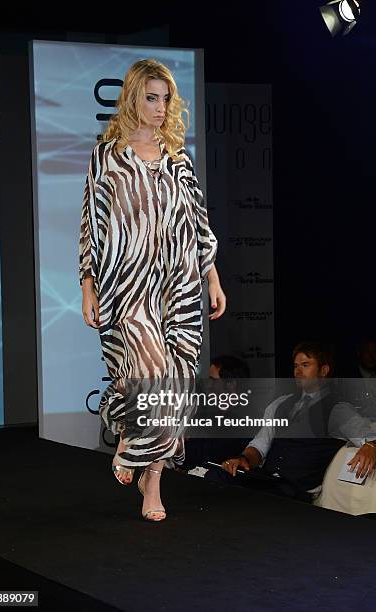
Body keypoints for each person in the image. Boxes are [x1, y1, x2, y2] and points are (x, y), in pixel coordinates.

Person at [79, 59, 226, 521]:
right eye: (151, 97)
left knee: (175, 386)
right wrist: (87, 284)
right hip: (129, 283)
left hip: (179, 284)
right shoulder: (107, 156)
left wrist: (212, 276)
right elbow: (91, 224)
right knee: (148, 375)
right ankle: (128, 433)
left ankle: (153, 480)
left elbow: (198, 223)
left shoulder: (178, 160)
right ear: (132, 98)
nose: (161, 108)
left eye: (166, 99)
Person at [211, 342, 376, 501]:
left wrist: (371, 446)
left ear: (324, 370)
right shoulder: (280, 403)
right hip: (266, 481)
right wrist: (244, 459)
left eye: (305, 365)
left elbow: (369, 437)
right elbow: (261, 442)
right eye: (296, 366)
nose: (298, 371)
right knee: (216, 476)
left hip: (295, 492)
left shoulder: (337, 410)